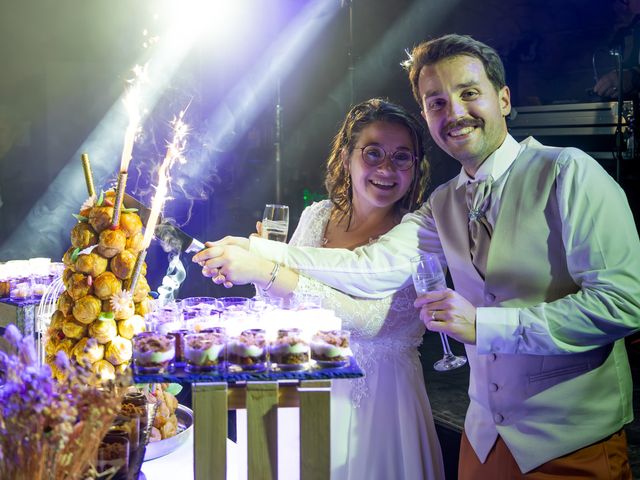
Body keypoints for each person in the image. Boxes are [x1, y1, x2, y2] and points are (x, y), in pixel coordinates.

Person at [200, 34, 640, 478]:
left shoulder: (568, 171)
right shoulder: (444, 203)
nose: (454, 112)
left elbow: (624, 303)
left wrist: (485, 325)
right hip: (483, 438)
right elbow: (371, 268)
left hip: (573, 442)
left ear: (503, 99)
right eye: (436, 103)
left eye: (469, 93)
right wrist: (259, 250)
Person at [194, 98, 446, 480]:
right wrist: (256, 277)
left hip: (377, 406)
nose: (386, 168)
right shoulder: (318, 215)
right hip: (302, 389)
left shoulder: (417, 233)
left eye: (402, 157)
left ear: (416, 168)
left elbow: (369, 321)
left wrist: (266, 269)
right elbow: (286, 307)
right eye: (372, 153)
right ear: (346, 157)